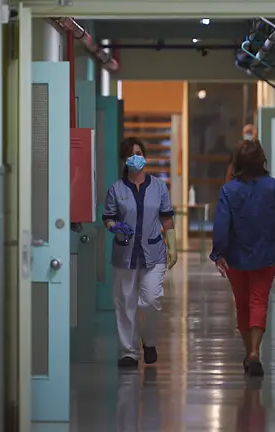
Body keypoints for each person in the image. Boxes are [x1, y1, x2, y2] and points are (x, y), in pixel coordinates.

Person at [210, 139, 275, 377]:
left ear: (237, 162)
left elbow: (221, 225)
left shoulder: (229, 190)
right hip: (267, 254)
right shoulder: (274, 187)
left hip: (236, 256)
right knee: (258, 301)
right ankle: (254, 352)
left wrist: (219, 253)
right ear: (262, 161)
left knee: (242, 303)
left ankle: (248, 350)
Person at [102, 137, 178, 368]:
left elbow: (166, 218)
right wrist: (114, 227)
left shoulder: (159, 187)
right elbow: (108, 218)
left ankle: (150, 341)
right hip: (125, 254)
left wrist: (172, 246)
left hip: (153, 252)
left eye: (139, 153)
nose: (136, 157)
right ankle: (129, 352)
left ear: (144, 156)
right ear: (124, 160)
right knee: (125, 303)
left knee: (151, 300)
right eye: (131, 154)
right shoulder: (116, 189)